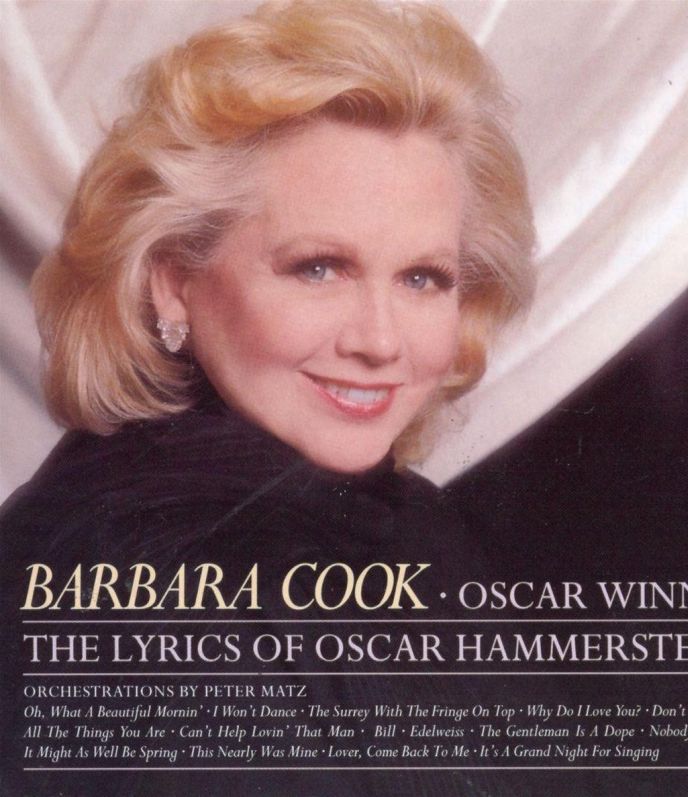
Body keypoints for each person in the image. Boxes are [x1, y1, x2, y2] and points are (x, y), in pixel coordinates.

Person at [0, 1, 533, 794]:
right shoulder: (158, 593)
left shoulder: (400, 525)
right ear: (174, 282)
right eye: (318, 268)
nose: (380, 340)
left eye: (423, 278)